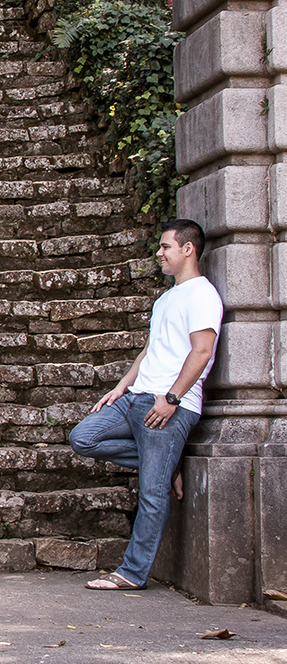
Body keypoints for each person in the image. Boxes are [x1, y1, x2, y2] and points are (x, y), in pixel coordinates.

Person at [68, 218, 222, 593]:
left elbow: (202, 352)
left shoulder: (203, 295)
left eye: (166, 247)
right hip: (136, 398)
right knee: (83, 437)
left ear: (188, 249)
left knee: (152, 494)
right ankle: (166, 463)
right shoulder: (167, 298)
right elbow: (150, 350)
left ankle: (132, 573)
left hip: (168, 404)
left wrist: (172, 398)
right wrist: (121, 387)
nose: (159, 253)